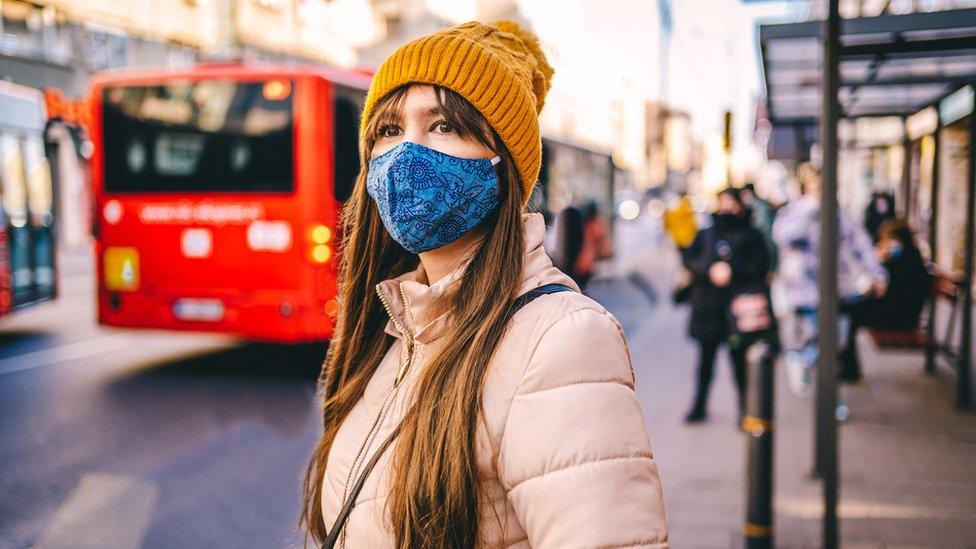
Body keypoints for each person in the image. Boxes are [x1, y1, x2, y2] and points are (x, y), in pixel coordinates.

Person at [300, 21, 668, 548]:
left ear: (505, 163)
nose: (406, 154)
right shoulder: (400, 326)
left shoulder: (559, 340)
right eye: (388, 129)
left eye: (444, 126)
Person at [772, 162, 888, 398]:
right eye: (817, 185)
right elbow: (783, 237)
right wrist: (811, 209)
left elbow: (861, 245)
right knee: (816, 340)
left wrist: (876, 274)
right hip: (807, 291)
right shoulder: (796, 212)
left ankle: (822, 388)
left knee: (837, 345)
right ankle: (806, 369)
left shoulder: (840, 214)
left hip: (839, 290)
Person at [681, 187, 770, 423]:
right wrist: (709, 270)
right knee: (705, 362)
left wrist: (733, 271)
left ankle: (745, 408)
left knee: (740, 362)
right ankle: (699, 406)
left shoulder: (752, 234)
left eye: (732, 202)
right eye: (723, 202)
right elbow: (690, 259)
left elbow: (760, 266)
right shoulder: (706, 233)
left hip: (737, 309)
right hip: (708, 307)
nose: (727, 208)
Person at [839, 218, 932, 382]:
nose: (886, 244)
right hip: (896, 309)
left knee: (851, 314)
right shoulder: (908, 256)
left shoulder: (907, 260)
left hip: (900, 316)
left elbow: (892, 288)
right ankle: (847, 366)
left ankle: (849, 369)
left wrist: (882, 262)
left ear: (899, 240)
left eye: (888, 240)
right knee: (850, 309)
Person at [572, 201, 613, 290]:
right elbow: (602, 241)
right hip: (585, 262)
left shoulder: (584, 223)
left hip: (581, 261)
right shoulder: (594, 225)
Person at [740, 182, 778, 271]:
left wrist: (771, 267)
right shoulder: (748, 209)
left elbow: (766, 235)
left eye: (746, 193)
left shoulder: (761, 208)